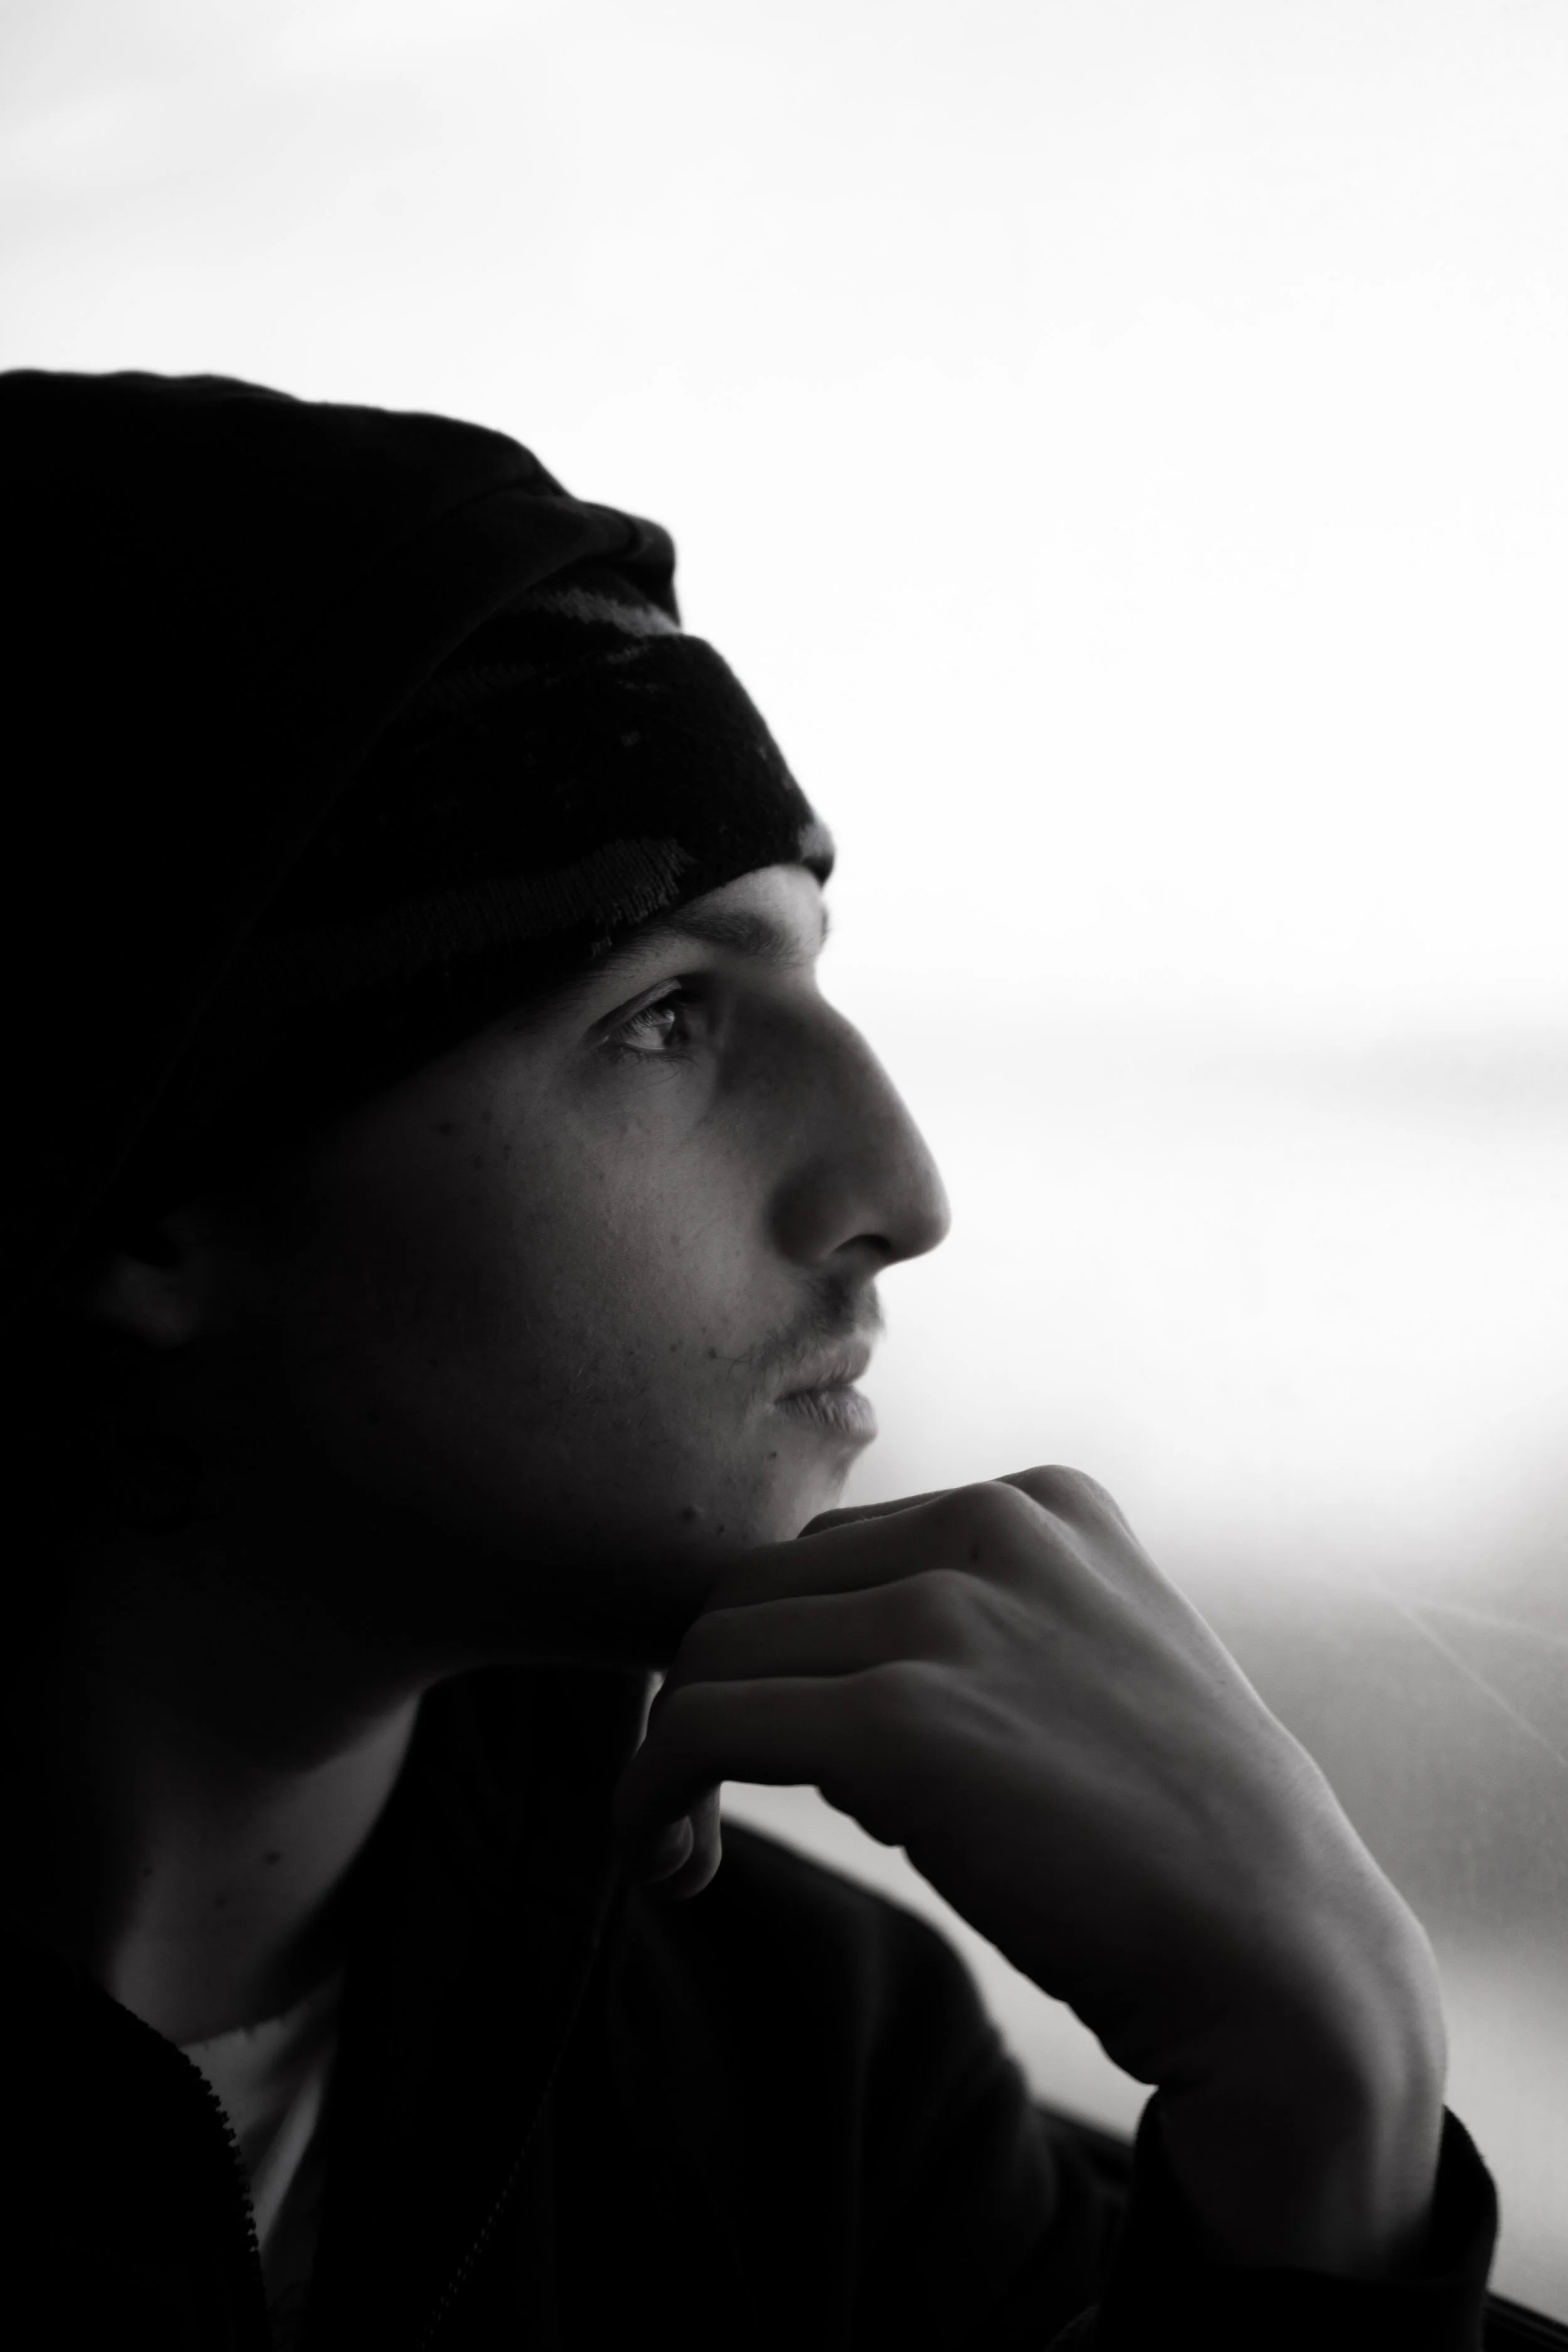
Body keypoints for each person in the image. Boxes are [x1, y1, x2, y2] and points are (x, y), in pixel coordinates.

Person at [2, 368, 1497, 2350]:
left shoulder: (823, 2087)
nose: (898, 1188)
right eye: (662, 1016)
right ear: (143, 1189)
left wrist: (1328, 2102)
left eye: (806, 969)